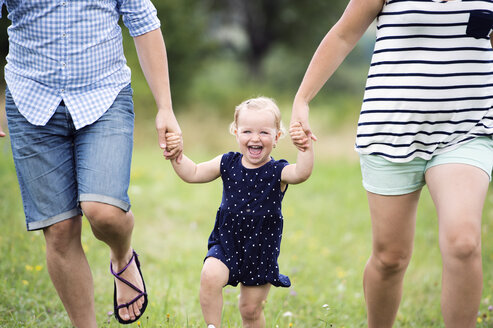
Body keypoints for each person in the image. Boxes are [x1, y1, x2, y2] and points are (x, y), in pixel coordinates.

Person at [291, 0, 493, 327]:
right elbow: (344, 34)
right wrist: (302, 99)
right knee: (390, 259)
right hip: (390, 131)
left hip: (468, 129)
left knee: (464, 243)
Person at [0, 0, 182, 326]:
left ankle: (122, 256)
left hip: (104, 96)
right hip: (30, 99)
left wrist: (165, 107)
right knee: (59, 229)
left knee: (105, 212)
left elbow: (143, 21)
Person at [164, 97, 313, 328]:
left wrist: (304, 147)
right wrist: (176, 155)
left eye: (264, 132)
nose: (255, 138)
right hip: (227, 241)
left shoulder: (278, 171)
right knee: (210, 275)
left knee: (250, 310)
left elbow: (301, 173)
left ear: (277, 137)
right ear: (236, 132)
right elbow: (192, 173)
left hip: (261, 248)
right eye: (247, 131)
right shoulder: (227, 162)